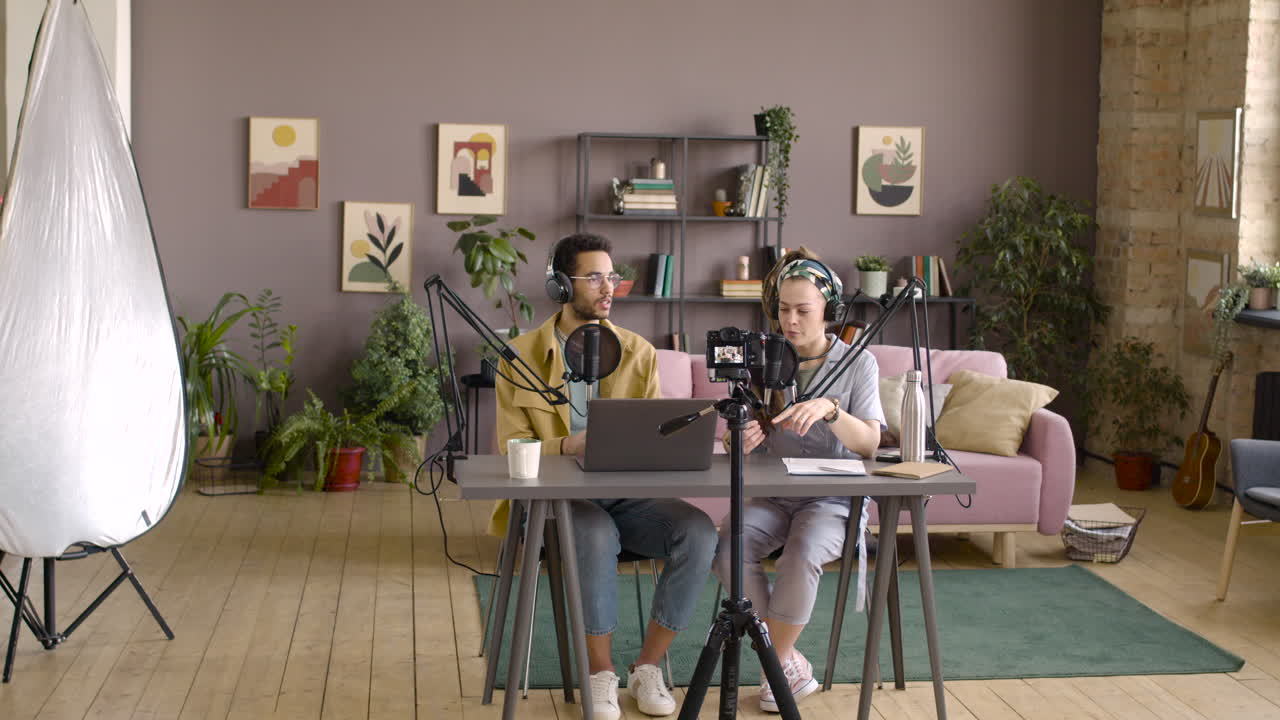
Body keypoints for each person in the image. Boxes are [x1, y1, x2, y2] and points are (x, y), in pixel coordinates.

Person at [494, 233, 718, 720]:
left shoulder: (638, 353)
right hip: (552, 504)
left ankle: (646, 668)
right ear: (559, 286)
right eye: (593, 276)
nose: (607, 286)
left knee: (698, 531)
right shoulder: (519, 356)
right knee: (594, 533)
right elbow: (511, 450)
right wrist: (564, 446)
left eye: (611, 276)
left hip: (624, 495)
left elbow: (656, 437)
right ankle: (599, 675)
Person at [711, 248, 884, 713]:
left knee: (804, 551)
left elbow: (869, 442)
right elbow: (738, 440)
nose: (790, 320)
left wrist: (831, 409)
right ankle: (785, 665)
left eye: (803, 310)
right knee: (728, 543)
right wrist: (741, 436)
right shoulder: (760, 361)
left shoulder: (858, 364)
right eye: (783, 309)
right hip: (773, 495)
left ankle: (777, 660)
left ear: (828, 311)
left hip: (833, 499)